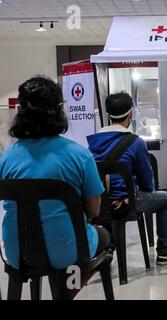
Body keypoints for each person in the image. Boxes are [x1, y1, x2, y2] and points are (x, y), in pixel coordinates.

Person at [0, 76, 110, 270]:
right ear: (60, 110)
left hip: (17, 254)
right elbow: (94, 210)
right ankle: (69, 290)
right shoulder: (80, 155)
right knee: (105, 235)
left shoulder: (6, 157)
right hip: (70, 252)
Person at [87, 92, 167, 265]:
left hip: (100, 204)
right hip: (127, 202)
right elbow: (146, 181)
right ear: (130, 114)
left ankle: (107, 247)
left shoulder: (93, 142)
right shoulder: (136, 142)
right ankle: (165, 250)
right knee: (165, 199)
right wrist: (147, 190)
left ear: (108, 115)